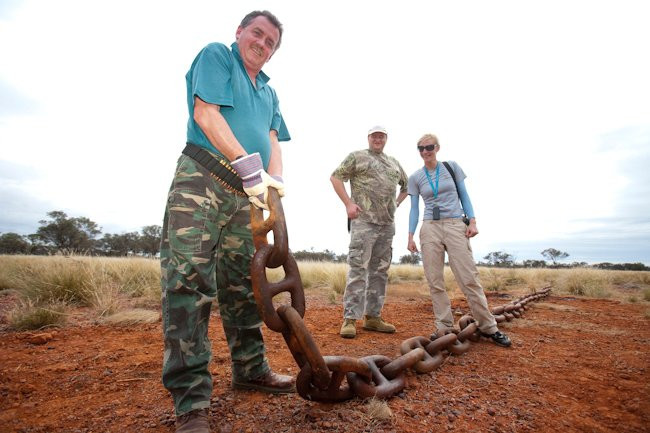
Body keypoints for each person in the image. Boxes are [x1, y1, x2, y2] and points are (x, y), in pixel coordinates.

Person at [160, 11, 294, 433]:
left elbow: (273, 139)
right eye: (257, 33)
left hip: (246, 194)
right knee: (188, 280)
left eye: (271, 41)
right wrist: (245, 163)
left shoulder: (270, 92)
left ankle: (251, 369)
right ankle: (191, 401)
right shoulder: (217, 56)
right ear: (239, 33)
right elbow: (206, 114)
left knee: (243, 284)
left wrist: (273, 182)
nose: (262, 43)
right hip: (203, 177)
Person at [406, 133, 511, 348]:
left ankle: (489, 326)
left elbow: (464, 195)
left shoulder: (451, 167)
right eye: (421, 148)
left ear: (437, 147)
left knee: (468, 278)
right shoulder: (416, 177)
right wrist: (410, 235)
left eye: (429, 147)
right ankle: (444, 326)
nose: (425, 151)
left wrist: (472, 221)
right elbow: (414, 208)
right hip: (430, 228)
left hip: (455, 224)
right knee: (435, 281)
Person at [330, 125, 408, 339]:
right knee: (358, 269)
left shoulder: (394, 163)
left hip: (386, 225)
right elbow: (335, 178)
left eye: (381, 136)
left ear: (386, 139)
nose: (378, 139)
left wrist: (396, 204)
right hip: (364, 222)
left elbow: (407, 187)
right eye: (374, 136)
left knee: (380, 271)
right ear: (368, 138)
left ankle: (373, 317)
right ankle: (350, 319)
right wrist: (348, 204)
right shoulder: (357, 157)